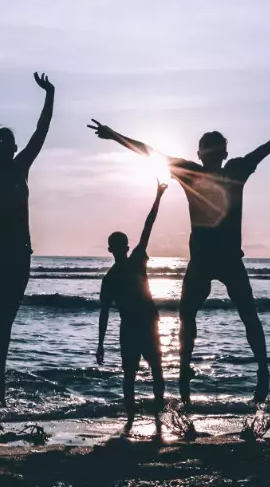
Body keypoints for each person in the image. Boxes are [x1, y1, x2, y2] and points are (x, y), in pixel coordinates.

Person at [88, 102, 270, 406]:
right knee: (214, 316)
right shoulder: (222, 170)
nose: (212, 156)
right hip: (211, 261)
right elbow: (269, 146)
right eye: (211, 151)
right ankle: (239, 370)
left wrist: (114, 136)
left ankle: (237, 371)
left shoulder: (211, 171)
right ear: (211, 154)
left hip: (220, 260)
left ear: (207, 154)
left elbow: (150, 151)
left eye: (212, 151)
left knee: (220, 316)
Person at [0, 71, 55, 415]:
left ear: (14, 148)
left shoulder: (22, 166)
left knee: (6, 320)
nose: (3, 147)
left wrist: (50, 93)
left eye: (7, 143)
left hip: (21, 253)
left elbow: (41, 131)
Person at [97, 182, 168, 432]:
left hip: (136, 327)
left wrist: (100, 344)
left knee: (135, 375)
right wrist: (158, 196)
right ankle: (154, 415)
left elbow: (104, 313)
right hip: (143, 325)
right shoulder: (133, 262)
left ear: (112, 249)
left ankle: (134, 419)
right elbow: (148, 226)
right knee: (153, 372)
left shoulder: (114, 275)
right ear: (123, 248)